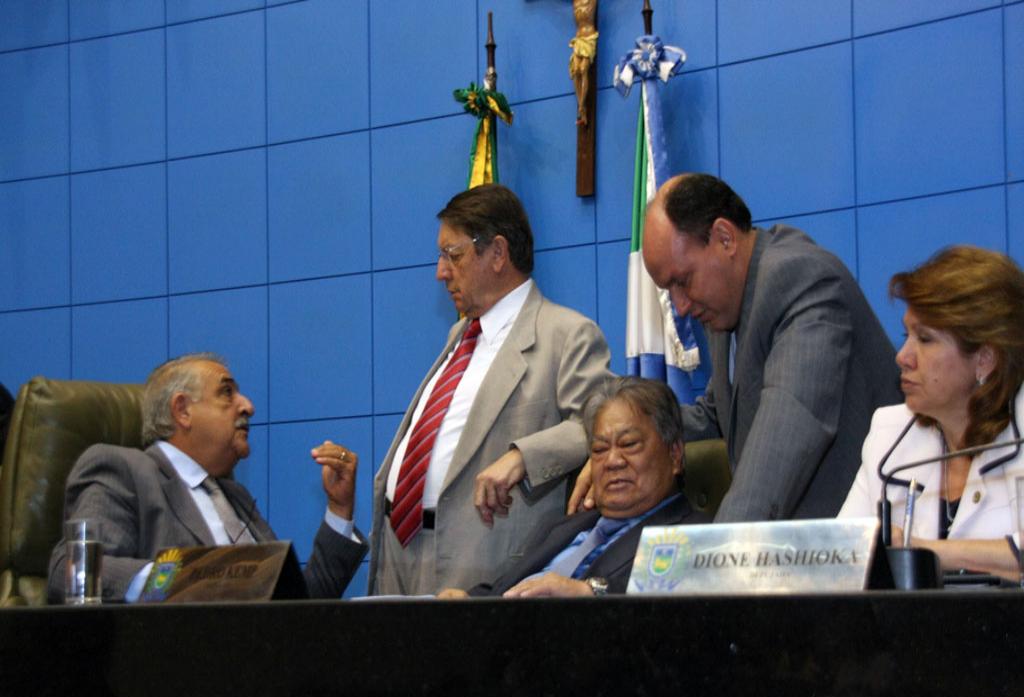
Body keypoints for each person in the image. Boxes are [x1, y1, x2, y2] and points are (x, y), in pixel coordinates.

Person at [571, 173, 901, 522]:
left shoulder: (800, 280)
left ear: (724, 238)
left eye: (683, 281)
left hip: (863, 540)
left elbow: (774, 459)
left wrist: (718, 553)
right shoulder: (728, 301)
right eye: (669, 291)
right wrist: (620, 443)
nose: (680, 306)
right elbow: (718, 412)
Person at [371, 184, 611, 595]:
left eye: (453, 255)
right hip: (397, 548)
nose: (441, 272)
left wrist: (523, 456)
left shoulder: (567, 334)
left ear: (498, 253)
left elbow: (599, 426)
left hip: (479, 565)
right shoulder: (460, 335)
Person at [47, 353, 366, 603]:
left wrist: (339, 510)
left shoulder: (235, 497)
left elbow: (301, 607)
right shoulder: (124, 470)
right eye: (227, 393)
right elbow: (73, 572)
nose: (248, 406)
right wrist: (195, 578)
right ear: (182, 410)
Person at [839, 246, 1024, 580]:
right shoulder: (889, 432)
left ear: (985, 359)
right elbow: (843, 558)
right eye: (906, 335)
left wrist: (922, 551)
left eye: (925, 339)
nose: (903, 357)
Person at [439, 377, 710, 598]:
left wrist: (590, 593)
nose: (612, 461)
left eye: (628, 445)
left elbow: (667, 617)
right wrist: (466, 601)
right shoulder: (562, 528)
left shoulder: (694, 538)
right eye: (599, 449)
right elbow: (504, 591)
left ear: (675, 455)